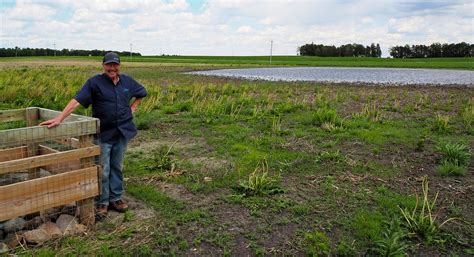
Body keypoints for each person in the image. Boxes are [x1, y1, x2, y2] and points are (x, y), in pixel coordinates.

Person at [40, 52, 147, 218]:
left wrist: (132, 108)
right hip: (103, 133)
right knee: (102, 169)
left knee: (117, 166)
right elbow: (77, 101)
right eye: (109, 65)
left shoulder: (127, 81)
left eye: (115, 65)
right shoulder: (94, 83)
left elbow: (142, 93)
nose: (112, 68)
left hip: (122, 131)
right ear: (103, 65)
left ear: (119, 65)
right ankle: (102, 202)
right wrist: (59, 118)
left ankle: (116, 198)